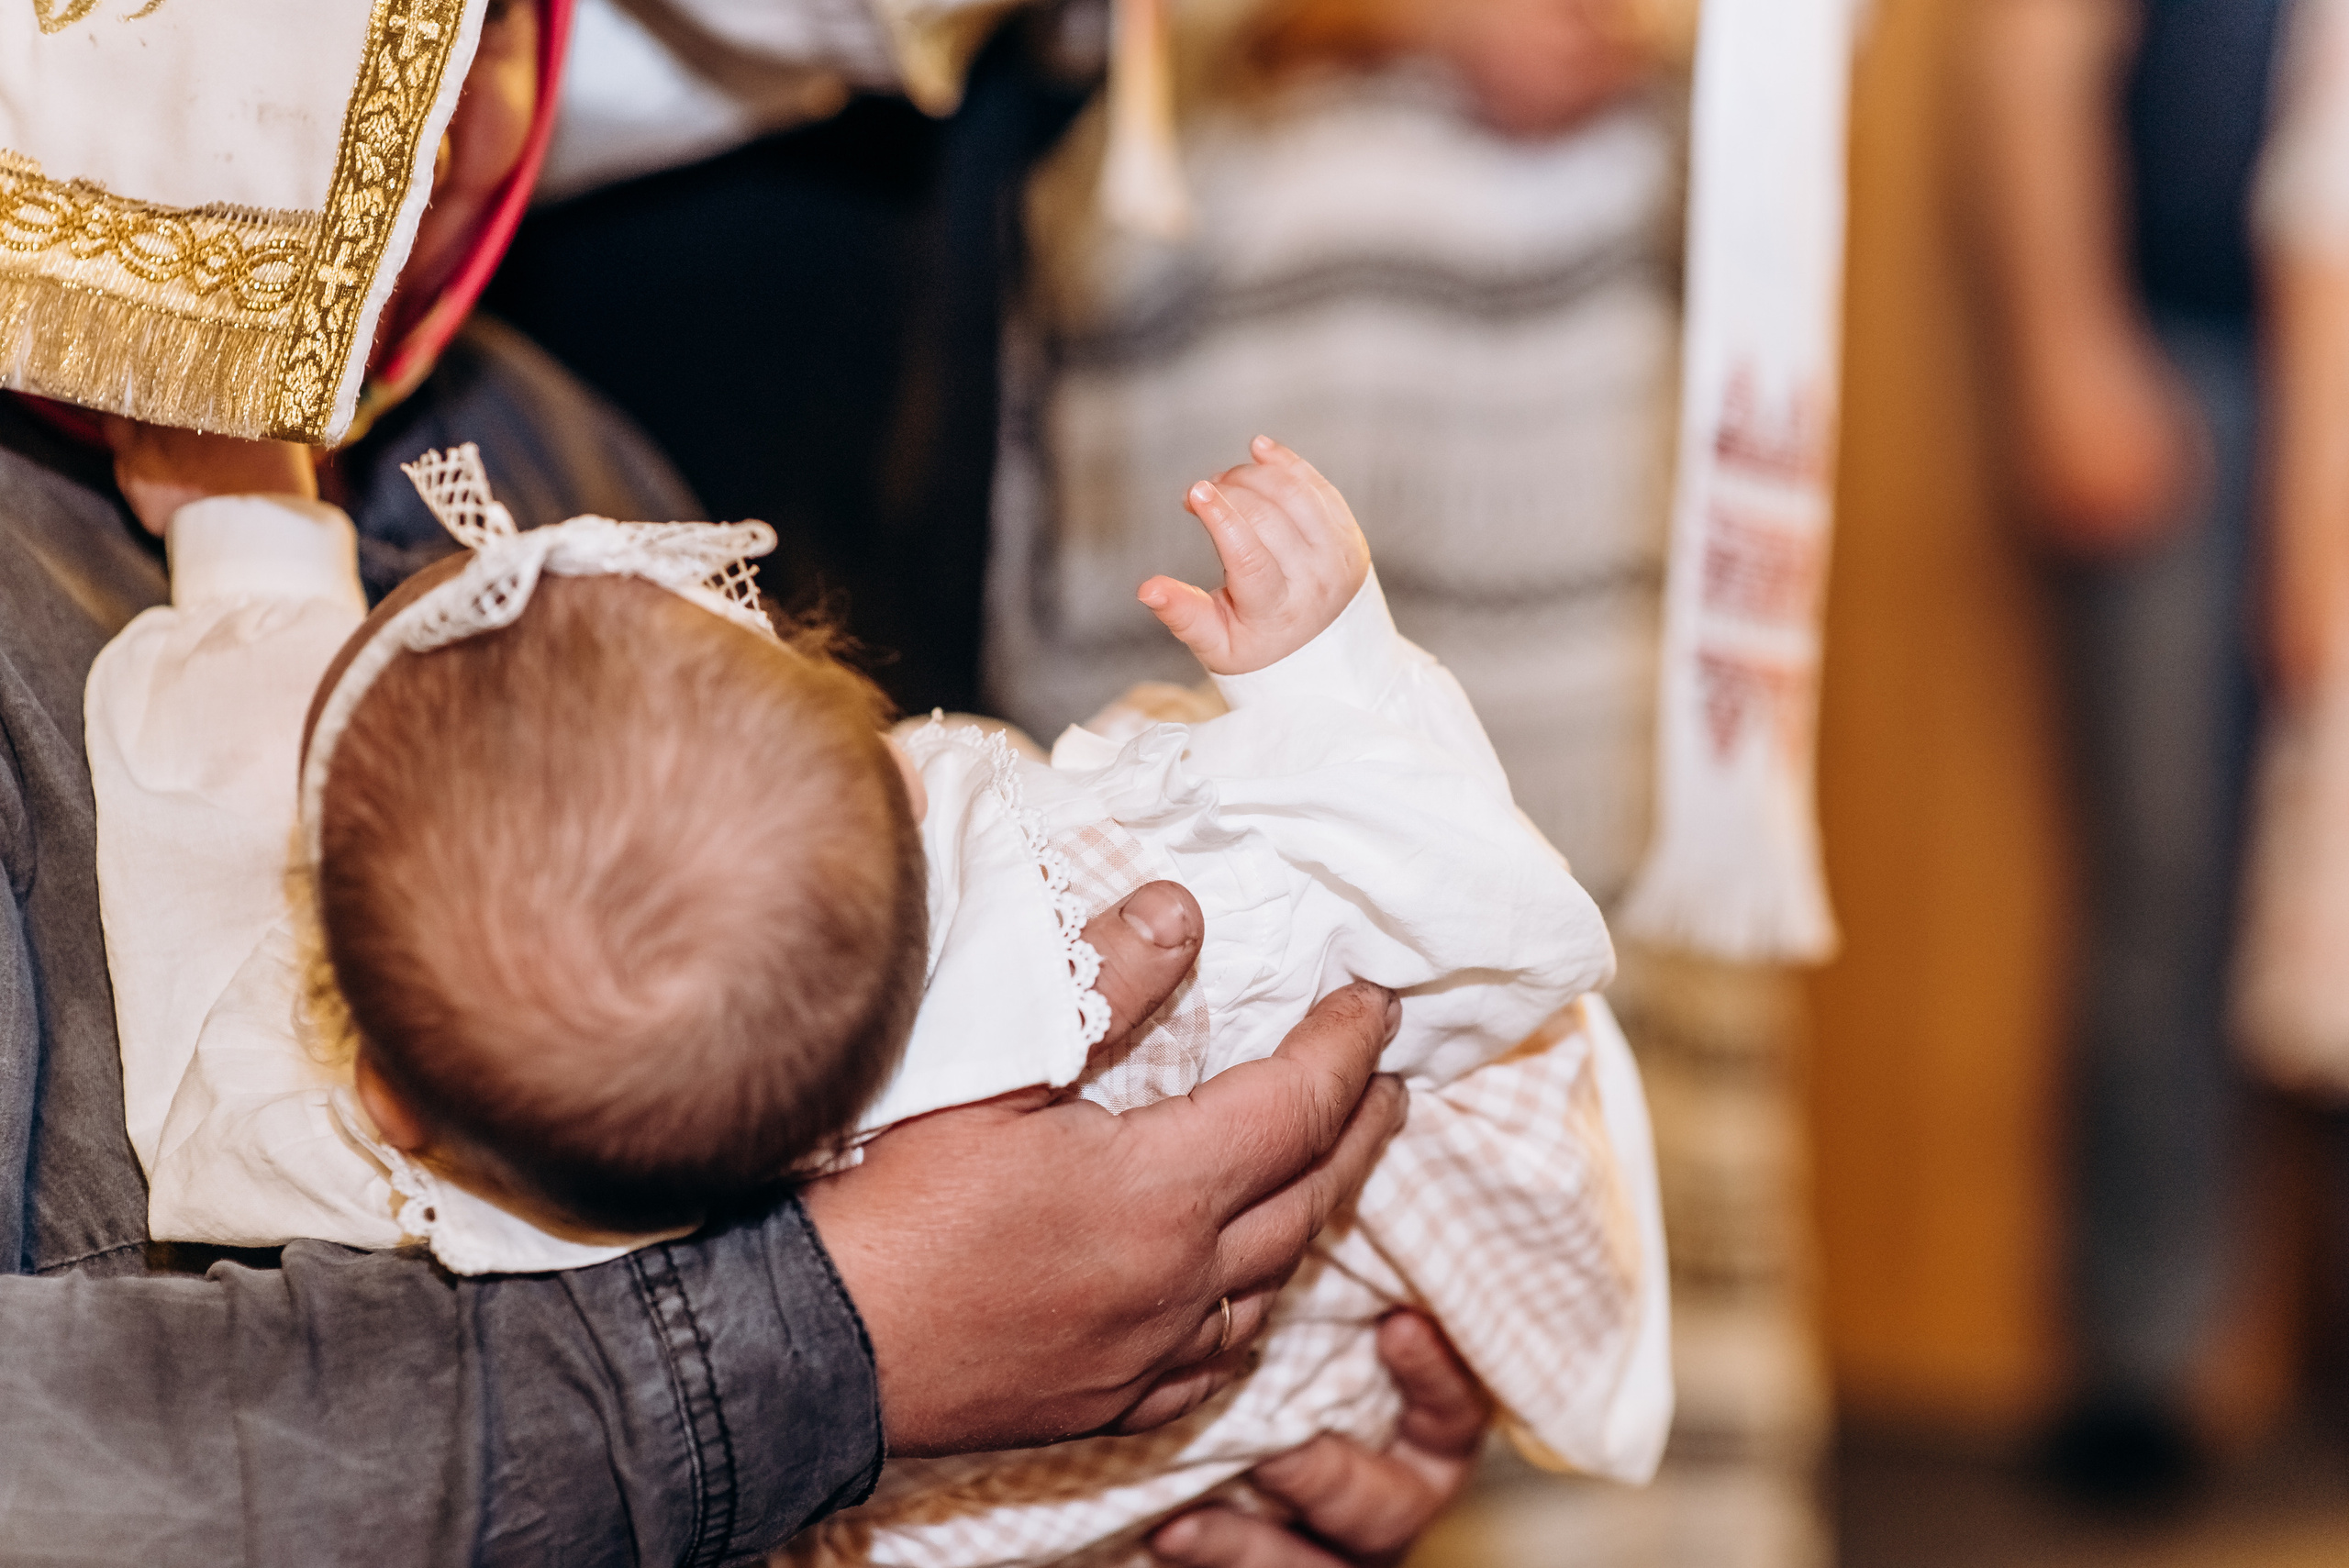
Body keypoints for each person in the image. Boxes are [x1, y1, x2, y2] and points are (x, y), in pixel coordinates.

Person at [0, 1, 1472, 1558]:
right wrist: (834, 1341)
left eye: (487, 16)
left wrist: (1228, 1397)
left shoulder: (541, 448)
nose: (421, 122)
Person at [83, 428, 1665, 1559]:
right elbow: (1465, 915)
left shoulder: (411, 1189)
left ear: (393, 1099)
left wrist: (245, 536)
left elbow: (233, 775)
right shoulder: (1039, 930)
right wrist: (1333, 678)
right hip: (1247, 1379)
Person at [1974, 0, 2290, 1499]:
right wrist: (2063, 346)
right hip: (2194, 364)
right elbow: (2032, 49)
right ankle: (2145, 1352)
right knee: (2169, 881)